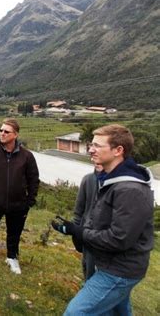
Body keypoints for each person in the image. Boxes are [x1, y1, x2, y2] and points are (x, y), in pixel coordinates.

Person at [52, 124, 154, 315]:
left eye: (97, 146)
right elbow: (98, 218)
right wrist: (74, 230)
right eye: (91, 144)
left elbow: (119, 239)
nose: (91, 149)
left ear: (118, 150)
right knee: (118, 310)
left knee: (76, 313)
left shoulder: (129, 189)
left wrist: (80, 232)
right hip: (108, 261)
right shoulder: (108, 179)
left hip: (119, 269)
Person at [0, 118, 39, 274]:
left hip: (18, 204)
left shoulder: (27, 156)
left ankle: (12, 258)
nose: (2, 133)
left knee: (14, 234)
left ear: (15, 134)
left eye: (6, 131)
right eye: (1, 130)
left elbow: (33, 179)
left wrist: (29, 201)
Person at [72, 163, 103, 281]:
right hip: (87, 235)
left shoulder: (118, 183)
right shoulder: (88, 179)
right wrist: (76, 234)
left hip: (106, 238)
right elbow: (78, 211)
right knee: (87, 266)